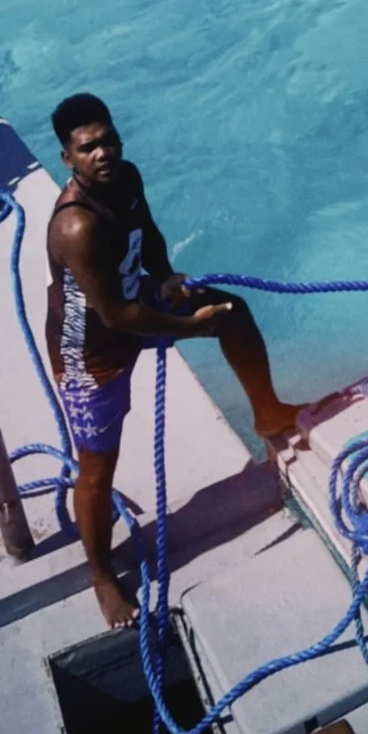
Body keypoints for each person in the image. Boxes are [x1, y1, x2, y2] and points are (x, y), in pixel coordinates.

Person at [45, 94, 301, 628]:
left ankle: (269, 412)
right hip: (91, 349)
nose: (104, 153)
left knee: (233, 312)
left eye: (109, 140)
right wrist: (190, 326)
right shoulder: (75, 227)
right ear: (67, 158)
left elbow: (150, 238)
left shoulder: (128, 177)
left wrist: (166, 276)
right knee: (96, 466)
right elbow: (116, 317)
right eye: (88, 148)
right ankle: (101, 576)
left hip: (138, 298)